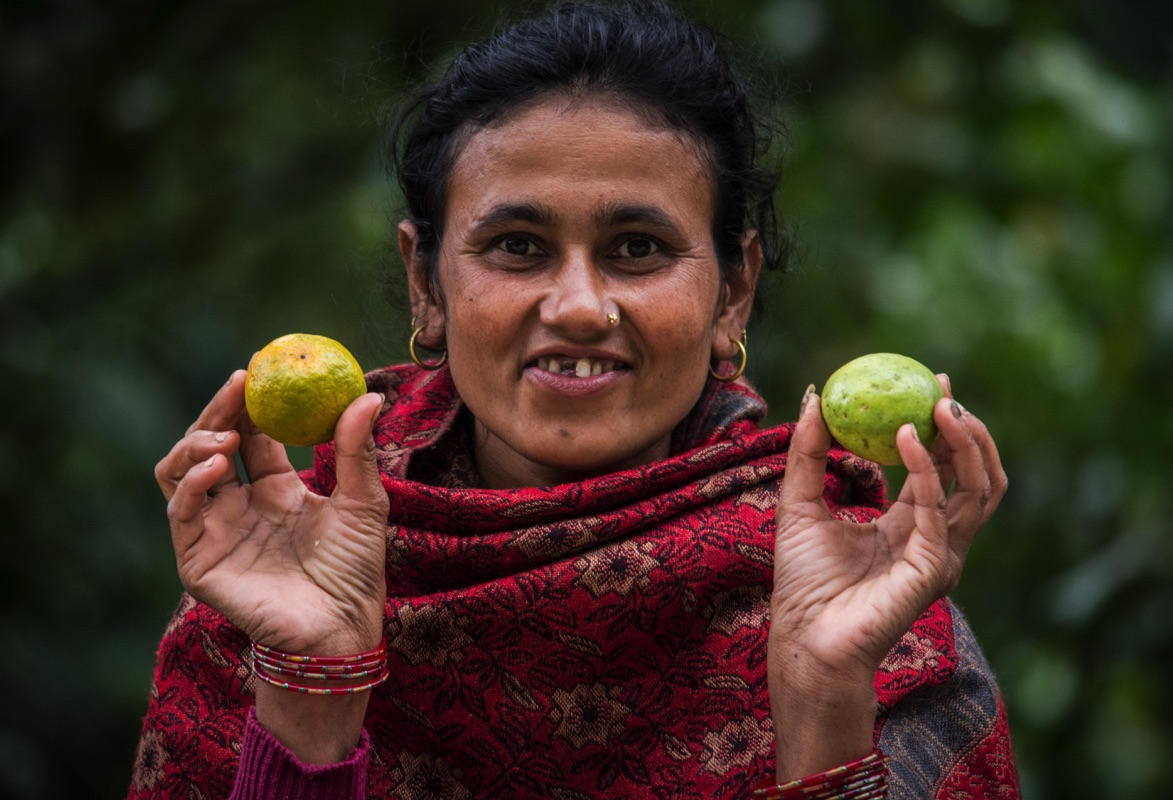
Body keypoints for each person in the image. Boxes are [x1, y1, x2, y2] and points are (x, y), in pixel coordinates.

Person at [132, 2, 1018, 798]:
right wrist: (309, 692)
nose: (578, 308)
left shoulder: (858, 588)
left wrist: (825, 700)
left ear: (734, 291)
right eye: (517, 246)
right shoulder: (282, 569)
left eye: (637, 248)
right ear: (425, 286)